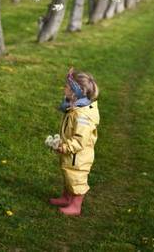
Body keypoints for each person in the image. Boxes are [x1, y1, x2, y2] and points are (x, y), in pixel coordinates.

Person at [49, 67, 100, 216]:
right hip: (71, 154)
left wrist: (66, 147)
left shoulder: (83, 116)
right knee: (68, 176)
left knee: (77, 180)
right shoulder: (75, 107)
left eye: (66, 86)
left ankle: (76, 206)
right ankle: (66, 197)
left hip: (78, 156)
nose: (63, 88)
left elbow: (80, 140)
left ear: (76, 92)